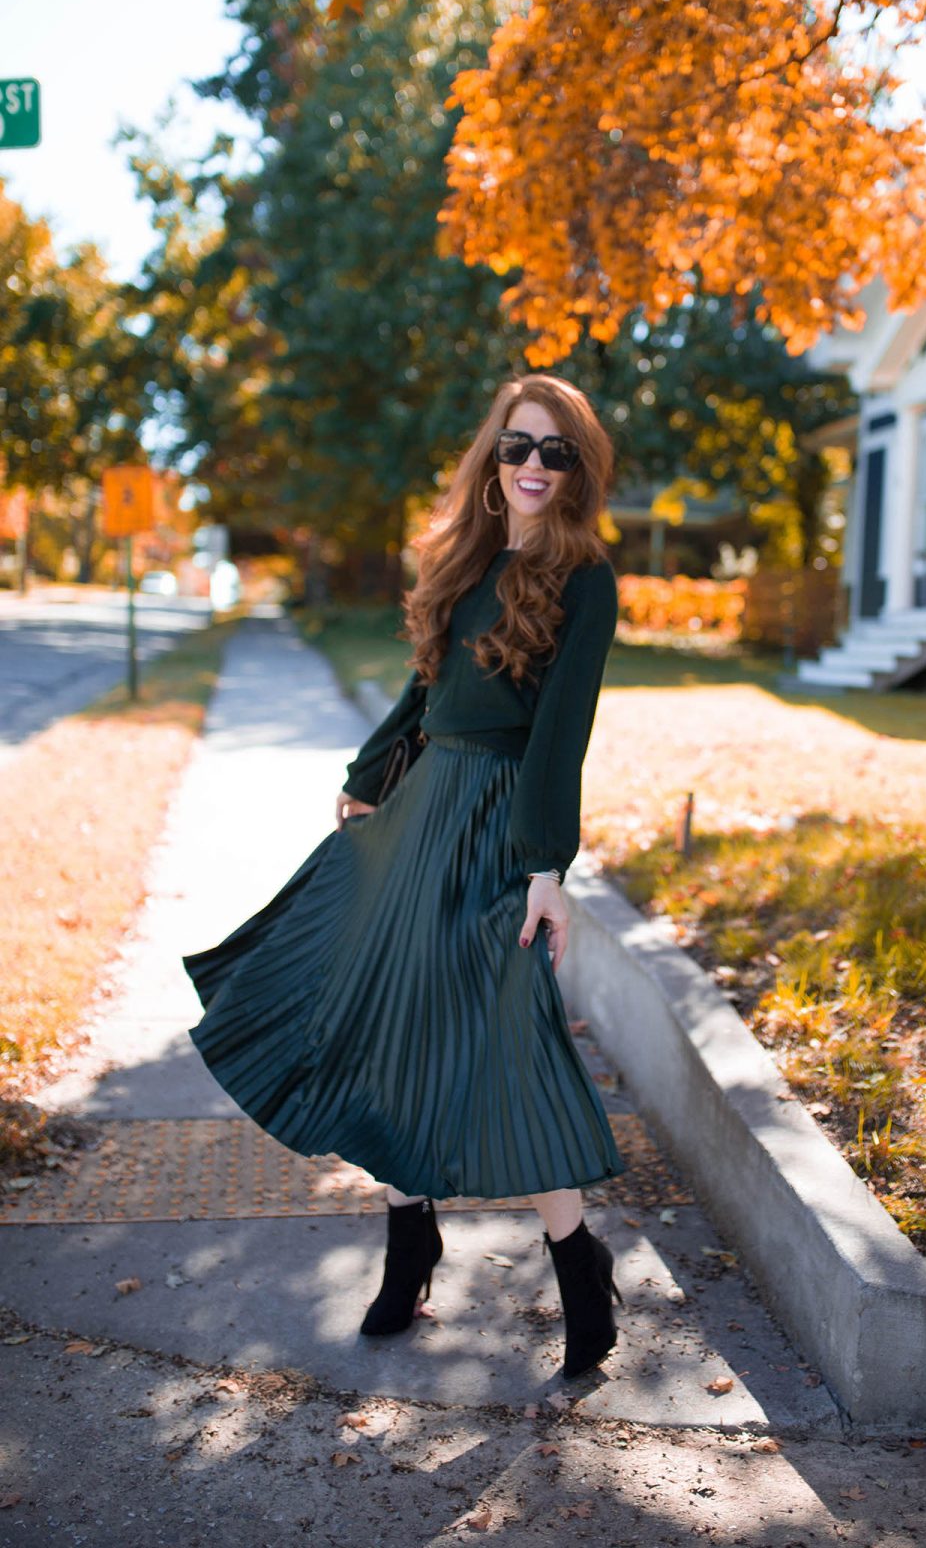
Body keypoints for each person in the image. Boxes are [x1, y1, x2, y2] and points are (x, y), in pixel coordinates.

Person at [182, 372, 626, 1382]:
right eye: (519, 446)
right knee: (382, 1022)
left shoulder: (585, 579)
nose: (533, 467)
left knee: (515, 1039)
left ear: (579, 469)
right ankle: (409, 1242)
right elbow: (427, 694)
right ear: (492, 456)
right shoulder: (467, 563)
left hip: (502, 826)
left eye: (556, 452)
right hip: (422, 812)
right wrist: (368, 776)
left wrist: (546, 867)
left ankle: (580, 1268)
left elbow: (562, 740)